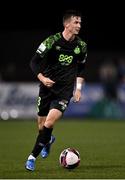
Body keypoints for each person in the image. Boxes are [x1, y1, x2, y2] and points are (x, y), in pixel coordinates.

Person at [25, 9, 87, 171]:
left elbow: (81, 69)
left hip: (64, 91)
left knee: (49, 122)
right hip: (46, 88)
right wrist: (42, 78)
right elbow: (34, 62)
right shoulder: (52, 41)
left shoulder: (81, 46)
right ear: (66, 24)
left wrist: (78, 89)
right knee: (41, 128)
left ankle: (32, 157)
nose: (79, 25)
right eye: (76, 22)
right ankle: (48, 139)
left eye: (80, 22)